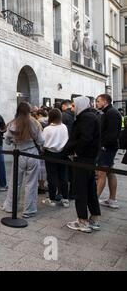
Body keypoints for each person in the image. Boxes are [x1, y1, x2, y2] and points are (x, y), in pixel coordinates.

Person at [62, 96, 101, 233]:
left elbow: (85, 138)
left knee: (81, 190)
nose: (72, 108)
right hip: (89, 159)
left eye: (73, 105)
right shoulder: (89, 116)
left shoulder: (86, 118)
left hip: (84, 159)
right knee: (90, 189)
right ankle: (94, 218)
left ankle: (83, 221)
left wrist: (77, 152)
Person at [2, 102, 44, 219]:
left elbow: (6, 140)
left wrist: (13, 142)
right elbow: (41, 141)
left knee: (15, 182)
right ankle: (29, 210)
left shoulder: (12, 124)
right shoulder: (34, 123)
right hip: (32, 153)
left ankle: (10, 206)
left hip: (18, 154)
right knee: (31, 183)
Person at [95, 94, 122, 210]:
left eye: (98, 101)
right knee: (110, 172)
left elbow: (112, 133)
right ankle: (112, 199)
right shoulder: (109, 112)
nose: (96, 103)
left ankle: (93, 201)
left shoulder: (111, 113)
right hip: (108, 147)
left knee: (102, 173)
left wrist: (103, 146)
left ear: (105, 101)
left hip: (107, 148)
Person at [42, 109, 70, 208]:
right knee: (63, 176)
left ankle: (52, 198)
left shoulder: (47, 129)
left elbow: (43, 143)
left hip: (50, 154)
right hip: (63, 154)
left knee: (51, 177)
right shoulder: (64, 127)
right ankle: (65, 199)